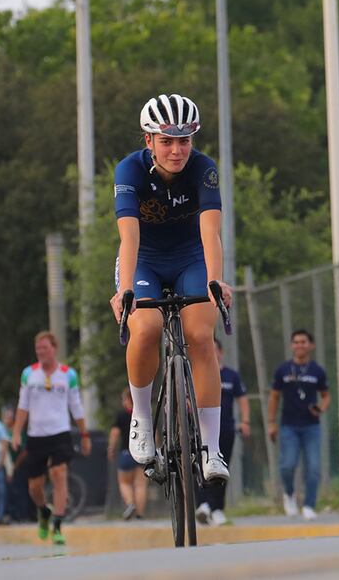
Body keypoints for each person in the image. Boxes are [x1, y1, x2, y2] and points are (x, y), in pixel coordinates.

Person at [108, 93, 234, 487]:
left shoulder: (204, 169)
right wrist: (125, 289)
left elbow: (211, 232)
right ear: (149, 141)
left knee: (200, 336)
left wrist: (215, 279)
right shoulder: (128, 171)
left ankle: (212, 450)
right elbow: (128, 238)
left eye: (184, 141)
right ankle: (142, 419)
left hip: (191, 258)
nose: (177, 150)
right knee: (144, 329)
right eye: (167, 141)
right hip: (144, 259)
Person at [11, 331, 92, 545]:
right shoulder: (29, 373)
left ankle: (57, 524)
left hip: (60, 433)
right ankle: (43, 511)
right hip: (36, 435)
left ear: (54, 349)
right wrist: (17, 432)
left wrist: (84, 434)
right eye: (38, 349)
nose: (41, 352)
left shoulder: (68, 374)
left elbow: (76, 407)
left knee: (59, 473)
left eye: (45, 348)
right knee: (34, 487)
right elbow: (23, 406)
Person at [267, 330, 330, 520]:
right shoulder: (283, 370)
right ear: (291, 346)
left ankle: (309, 505)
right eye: (295, 342)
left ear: (311, 345)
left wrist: (321, 408)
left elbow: (327, 395)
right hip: (288, 426)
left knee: (313, 467)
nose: (299, 345)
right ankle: (290, 494)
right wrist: (271, 423)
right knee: (287, 465)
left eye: (303, 342)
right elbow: (274, 396)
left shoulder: (317, 371)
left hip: (312, 426)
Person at [196, 338, 249, 526]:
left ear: (221, 352)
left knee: (221, 468)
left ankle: (217, 508)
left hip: (225, 428)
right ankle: (203, 505)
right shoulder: (196, 373)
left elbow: (242, 399)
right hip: (200, 429)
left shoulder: (231, 376)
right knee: (201, 467)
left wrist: (245, 421)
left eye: (215, 349)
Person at [107, 388, 147, 521]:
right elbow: (156, 434)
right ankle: (140, 515)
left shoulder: (122, 416)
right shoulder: (145, 414)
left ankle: (130, 504)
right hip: (142, 453)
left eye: (124, 399)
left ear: (129, 399)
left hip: (126, 453)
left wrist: (111, 448)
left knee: (124, 482)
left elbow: (114, 433)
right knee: (140, 485)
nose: (123, 402)